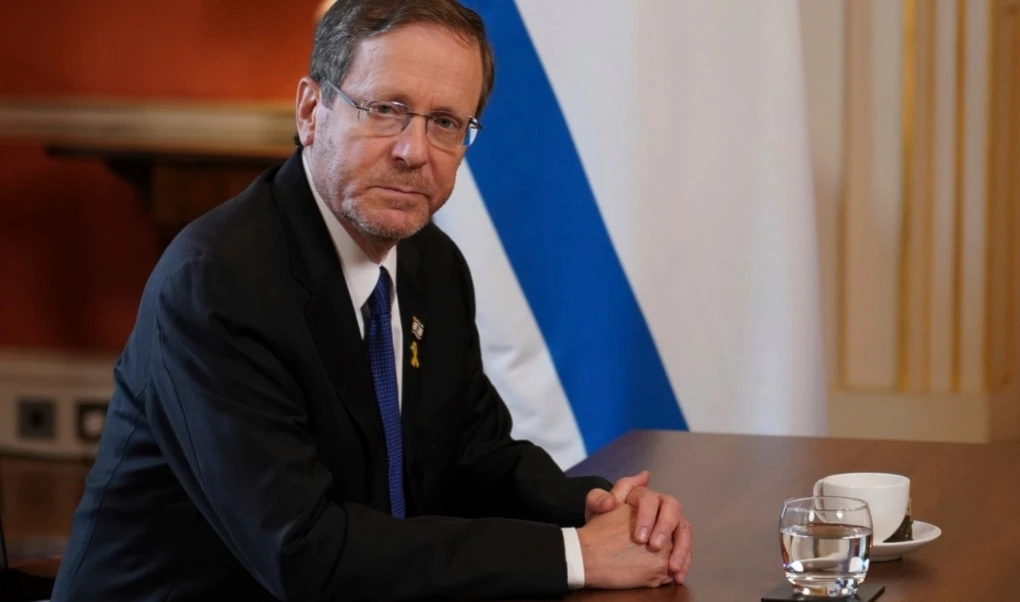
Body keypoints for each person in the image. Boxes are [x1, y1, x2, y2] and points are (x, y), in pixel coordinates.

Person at [51, 1, 693, 600]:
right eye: (385, 108)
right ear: (310, 111)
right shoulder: (217, 282)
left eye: (445, 123)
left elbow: (474, 454)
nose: (415, 152)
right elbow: (302, 551)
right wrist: (575, 555)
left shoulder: (431, 263)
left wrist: (597, 509)